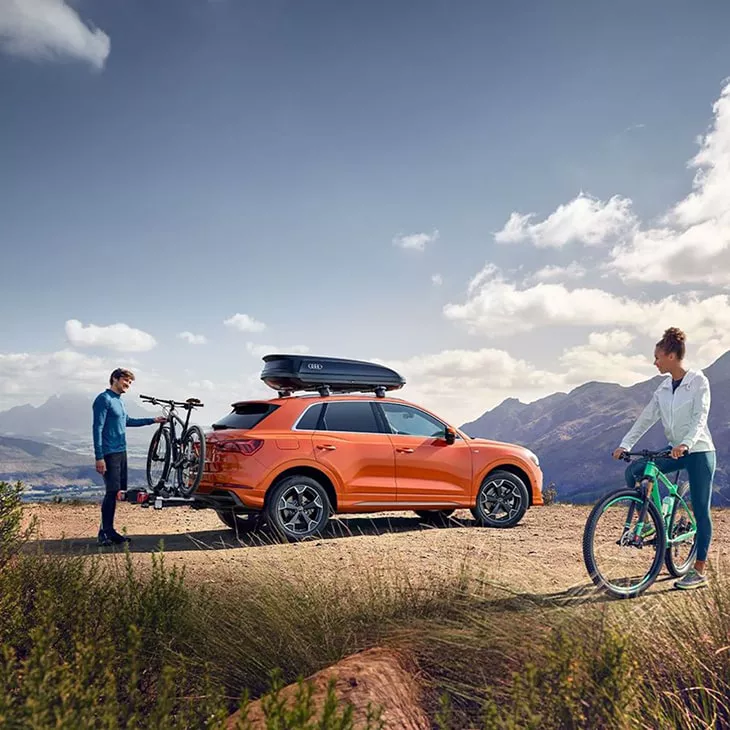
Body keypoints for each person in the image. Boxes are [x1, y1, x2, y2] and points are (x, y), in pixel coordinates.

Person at [613, 327, 716, 590]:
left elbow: (700, 416)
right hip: (675, 450)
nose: (654, 362)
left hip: (699, 451)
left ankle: (699, 570)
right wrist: (625, 444)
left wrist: (687, 443)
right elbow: (646, 418)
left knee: (701, 510)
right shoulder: (663, 388)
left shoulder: (698, 382)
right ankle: (650, 522)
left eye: (657, 356)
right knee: (635, 471)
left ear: (671, 356)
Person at [92, 368, 164, 546]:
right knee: (111, 492)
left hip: (121, 451)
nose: (128, 385)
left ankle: (107, 530)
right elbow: (97, 428)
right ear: (115, 379)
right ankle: (105, 534)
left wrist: (152, 420)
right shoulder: (104, 399)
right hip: (109, 453)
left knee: (116, 492)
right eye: (125, 381)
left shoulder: (120, 401)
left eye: (130, 382)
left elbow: (127, 421)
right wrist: (99, 457)